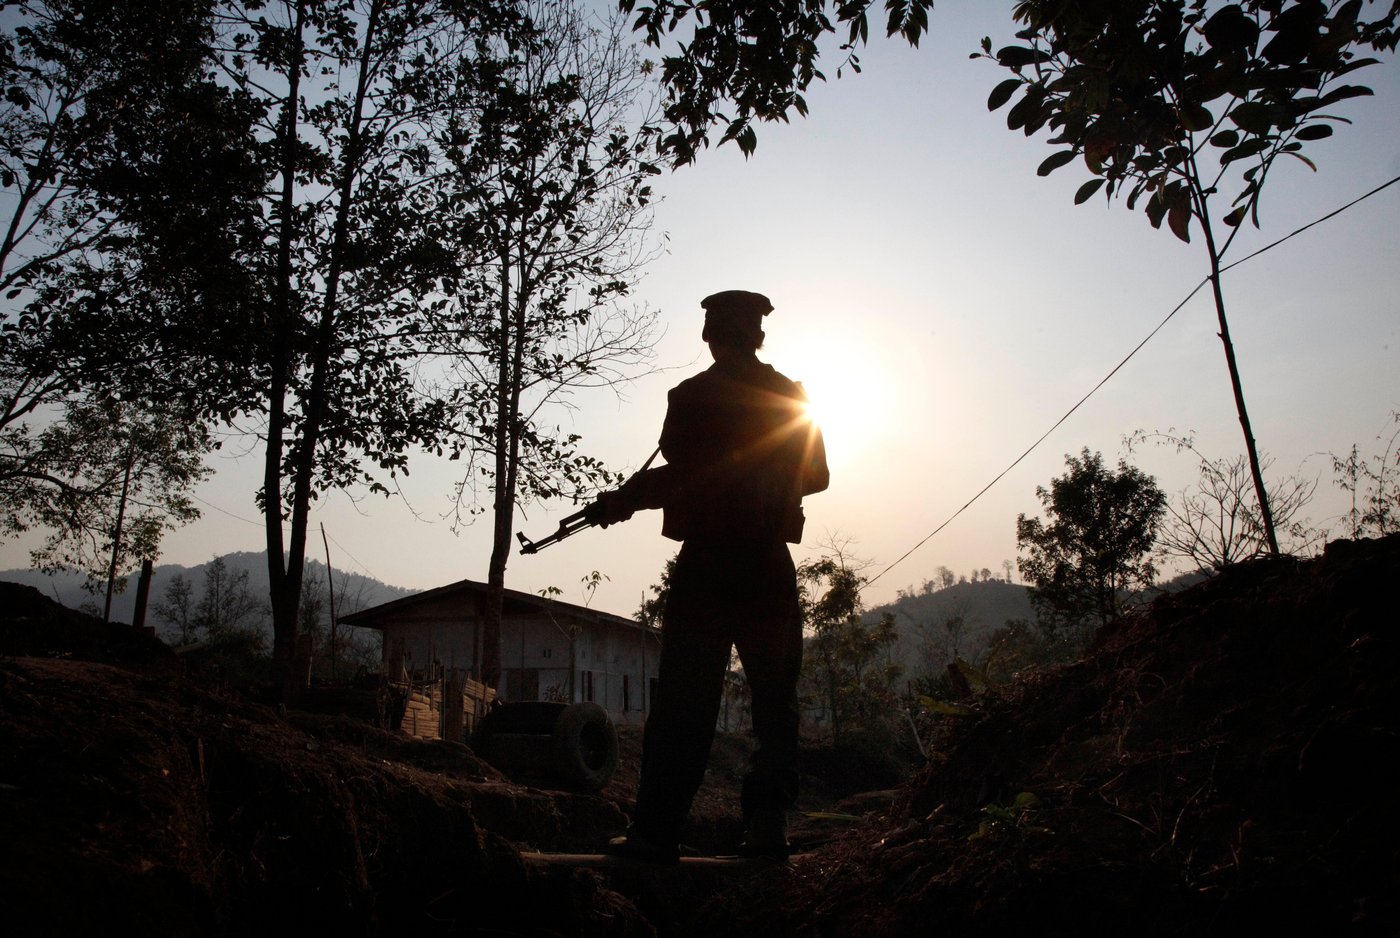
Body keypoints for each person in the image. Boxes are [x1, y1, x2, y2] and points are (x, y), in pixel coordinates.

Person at [596, 289, 829, 863]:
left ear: (709, 337)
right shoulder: (792, 397)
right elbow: (819, 476)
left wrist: (625, 500)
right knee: (775, 704)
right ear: (759, 336)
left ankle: (657, 834)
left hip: (707, 563)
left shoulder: (690, 397)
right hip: (767, 564)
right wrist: (768, 483)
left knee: (684, 702)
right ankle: (767, 829)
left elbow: (684, 475)